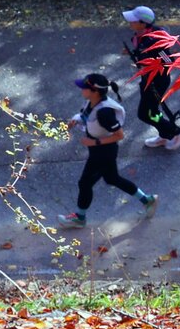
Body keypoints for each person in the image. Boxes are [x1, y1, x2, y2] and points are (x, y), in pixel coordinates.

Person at [59, 73, 157, 229]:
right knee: (112, 178)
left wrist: (94, 142)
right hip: (99, 150)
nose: (82, 90)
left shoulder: (105, 112)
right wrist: (75, 120)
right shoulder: (92, 102)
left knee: (85, 183)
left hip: (103, 152)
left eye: (84, 88)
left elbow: (119, 135)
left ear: (95, 91)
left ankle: (79, 218)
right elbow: (87, 117)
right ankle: (147, 200)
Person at [122, 4, 180, 150]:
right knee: (152, 111)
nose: (130, 22)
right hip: (146, 78)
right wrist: (136, 55)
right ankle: (165, 135)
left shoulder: (156, 40)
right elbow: (142, 52)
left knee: (145, 114)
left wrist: (150, 66)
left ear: (143, 23)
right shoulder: (139, 36)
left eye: (133, 20)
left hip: (157, 81)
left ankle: (175, 132)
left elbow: (168, 60)